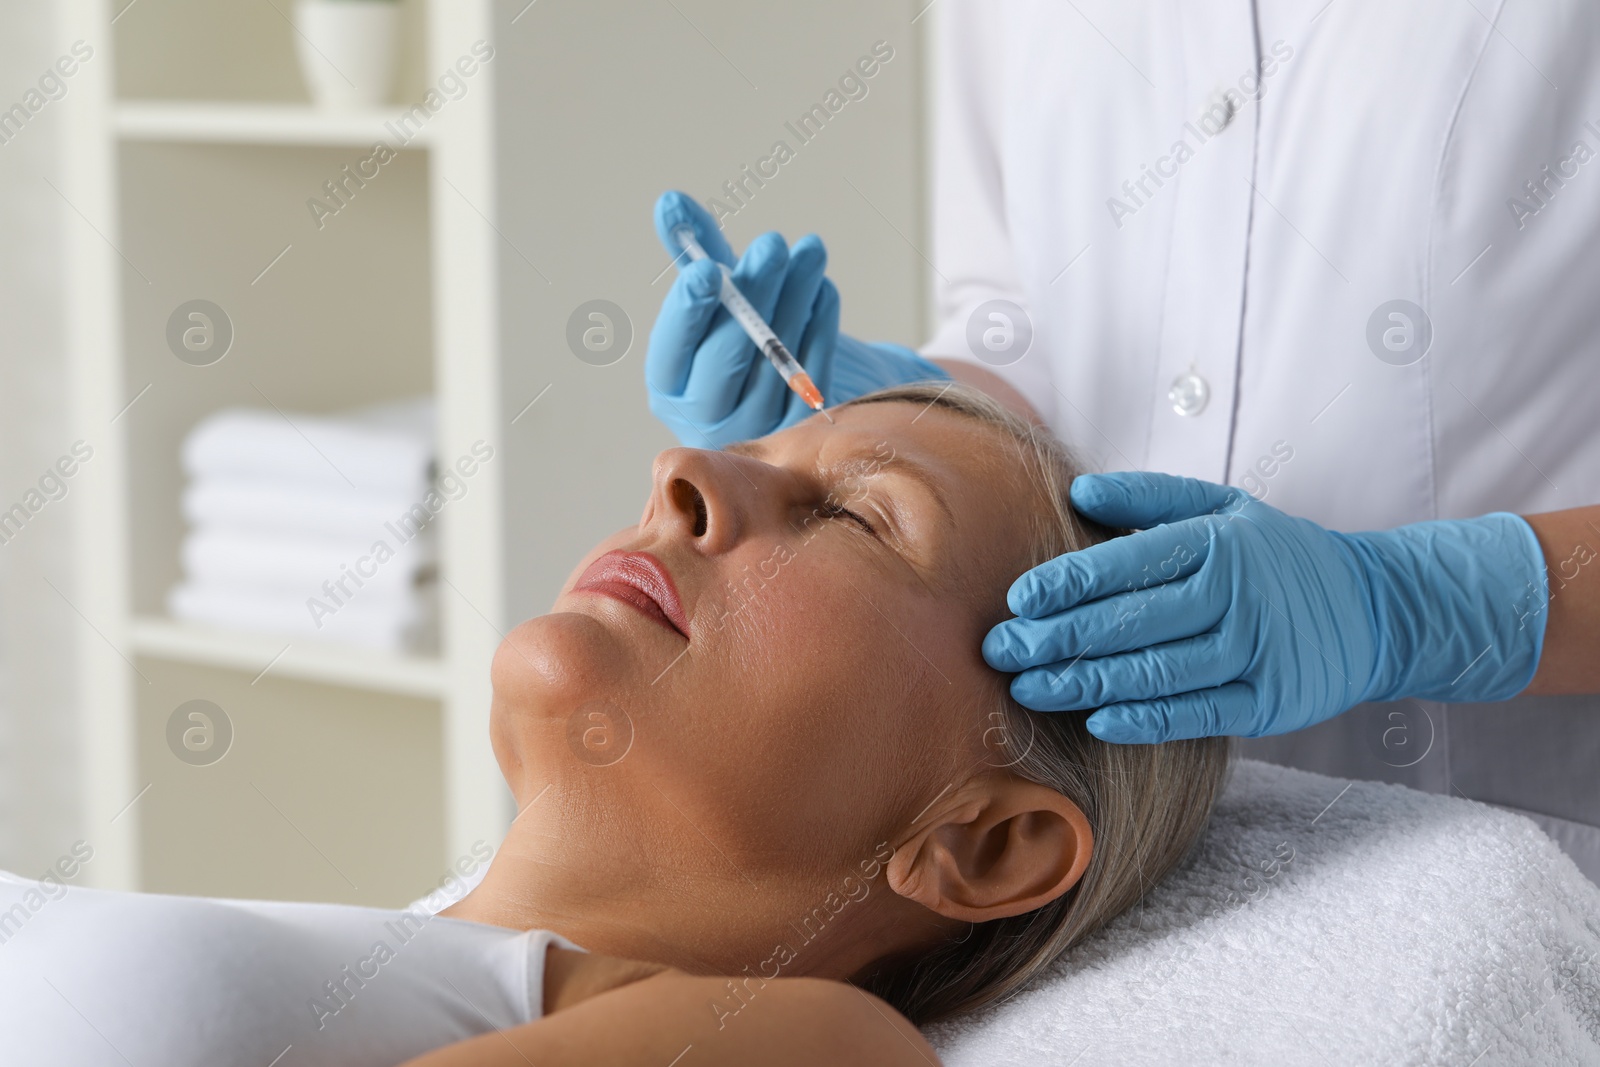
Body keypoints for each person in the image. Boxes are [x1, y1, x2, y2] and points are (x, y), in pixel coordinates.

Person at [643, 4, 1600, 881]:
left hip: (1533, 855)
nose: (675, 482)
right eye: (855, 516)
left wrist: (1420, 605)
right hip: (1156, 873)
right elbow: (1026, 321)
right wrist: (891, 410)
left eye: (861, 514)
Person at [0, 384, 1227, 1067]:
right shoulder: (347, 957)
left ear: (980, 843)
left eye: (854, 516)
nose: (681, 470)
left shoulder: (825, 1049)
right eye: (751, 451)